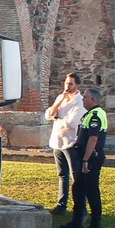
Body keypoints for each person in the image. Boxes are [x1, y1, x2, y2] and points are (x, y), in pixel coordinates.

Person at [61, 88, 107, 228]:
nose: (82, 100)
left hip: (92, 159)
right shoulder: (90, 114)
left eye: (85, 97)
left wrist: (86, 160)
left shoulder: (96, 115)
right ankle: (77, 220)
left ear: (93, 100)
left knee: (92, 190)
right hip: (85, 157)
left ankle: (95, 224)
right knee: (78, 188)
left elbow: (93, 139)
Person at [44, 72, 85, 217]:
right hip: (57, 142)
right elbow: (48, 114)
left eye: (70, 84)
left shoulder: (80, 102)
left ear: (77, 85)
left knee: (76, 176)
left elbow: (71, 123)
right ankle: (61, 206)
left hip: (71, 144)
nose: (67, 86)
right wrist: (58, 103)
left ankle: (80, 208)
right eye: (66, 83)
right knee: (62, 175)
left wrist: (57, 118)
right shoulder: (61, 98)